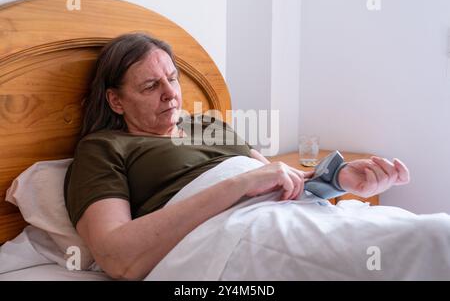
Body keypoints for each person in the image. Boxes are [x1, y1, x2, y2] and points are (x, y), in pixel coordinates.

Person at [64, 33, 410, 280]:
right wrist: (241, 183)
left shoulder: (208, 125)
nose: (171, 95)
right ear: (116, 101)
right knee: (417, 248)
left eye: (172, 78)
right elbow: (117, 257)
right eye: (151, 86)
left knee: (412, 237)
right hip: (233, 235)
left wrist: (339, 180)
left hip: (284, 213)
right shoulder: (103, 147)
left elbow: (280, 181)